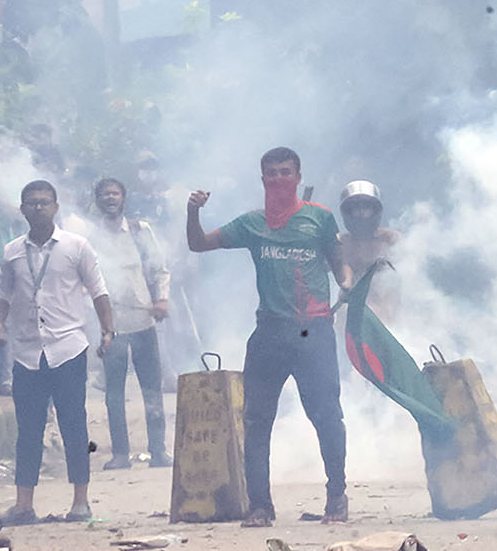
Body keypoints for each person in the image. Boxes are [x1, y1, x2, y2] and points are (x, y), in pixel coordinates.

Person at [187, 147, 349, 527]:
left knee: (326, 416)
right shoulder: (251, 224)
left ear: (297, 175)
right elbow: (198, 244)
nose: (278, 179)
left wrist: (346, 281)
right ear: (262, 180)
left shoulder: (320, 218)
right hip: (270, 331)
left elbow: (337, 257)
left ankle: (337, 498)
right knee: (257, 420)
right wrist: (192, 212)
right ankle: (260, 506)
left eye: (285, 172)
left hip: (314, 329)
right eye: (271, 173)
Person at [0, 180, 114, 524]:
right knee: (27, 430)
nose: (39, 208)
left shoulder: (77, 246)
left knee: (74, 425)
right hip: (27, 352)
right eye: (32, 203)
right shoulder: (12, 251)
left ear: (56, 207)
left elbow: (98, 290)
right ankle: (24, 505)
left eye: (45, 202)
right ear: (22, 209)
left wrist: (107, 330)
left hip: (68, 348)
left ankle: (80, 503)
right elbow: (2, 292)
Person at [86, 177, 173, 470]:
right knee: (114, 393)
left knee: (152, 389)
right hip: (110, 326)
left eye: (115, 193)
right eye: (105, 194)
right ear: (97, 200)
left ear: (124, 198)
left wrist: (161, 300)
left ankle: (158, 451)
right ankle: (120, 454)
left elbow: (160, 269)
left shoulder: (139, 231)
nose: (111, 198)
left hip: (143, 321)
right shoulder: (89, 237)